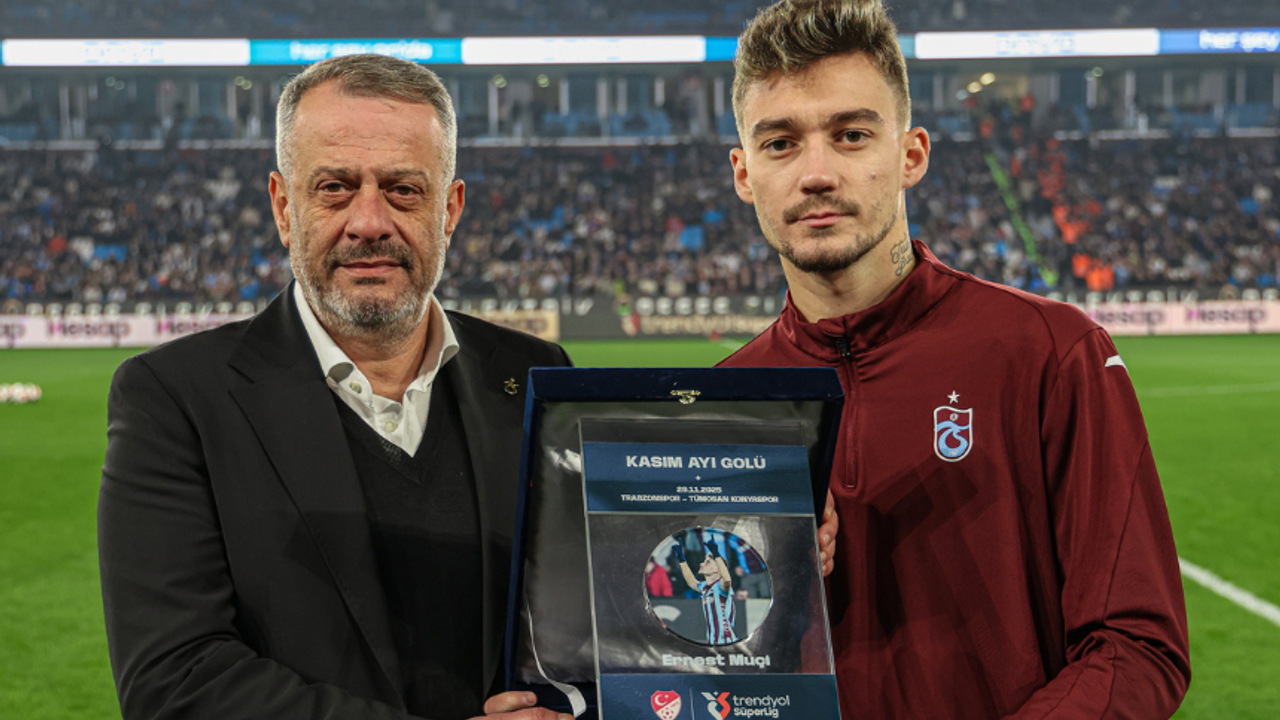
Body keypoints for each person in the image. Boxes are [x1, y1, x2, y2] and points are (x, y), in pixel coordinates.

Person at [717, 1, 1191, 718]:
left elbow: (1138, 645)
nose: (816, 173)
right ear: (744, 173)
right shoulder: (723, 401)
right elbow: (691, 666)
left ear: (910, 155)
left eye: (851, 136)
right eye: (780, 143)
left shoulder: (1050, 351)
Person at [97, 54, 575, 720]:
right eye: (334, 188)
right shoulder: (175, 399)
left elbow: (584, 625)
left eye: (403, 189)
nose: (369, 221)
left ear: (450, 209)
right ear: (283, 207)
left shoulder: (534, 376)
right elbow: (174, 682)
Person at [671, 535, 739, 645]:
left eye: (707, 562)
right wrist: (682, 560)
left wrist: (716, 554)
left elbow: (727, 579)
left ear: (717, 569)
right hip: (713, 641)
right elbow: (691, 581)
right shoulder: (705, 587)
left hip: (725, 641)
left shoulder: (720, 586)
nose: (701, 564)